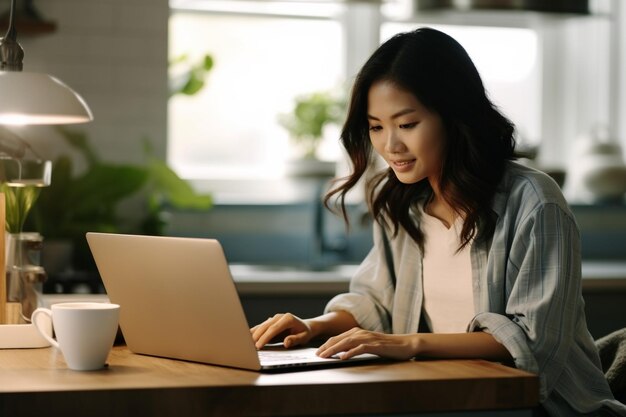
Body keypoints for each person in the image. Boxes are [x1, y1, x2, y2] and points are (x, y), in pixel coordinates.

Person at [251, 27, 626, 416]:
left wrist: (411, 344)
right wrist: (314, 326)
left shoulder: (534, 200)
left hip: (545, 409)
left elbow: (533, 343)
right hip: (446, 398)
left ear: (453, 115)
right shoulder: (400, 203)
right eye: (376, 126)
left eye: (407, 124)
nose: (390, 145)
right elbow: (376, 303)